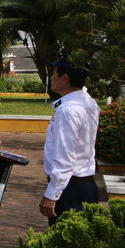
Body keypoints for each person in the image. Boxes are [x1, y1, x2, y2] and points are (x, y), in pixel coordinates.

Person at [41, 55, 99, 225]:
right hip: (85, 184)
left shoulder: (67, 111)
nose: (51, 78)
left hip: (70, 189)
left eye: (54, 73)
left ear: (65, 78)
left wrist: (52, 194)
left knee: (65, 245)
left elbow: (64, 158)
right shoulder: (88, 103)